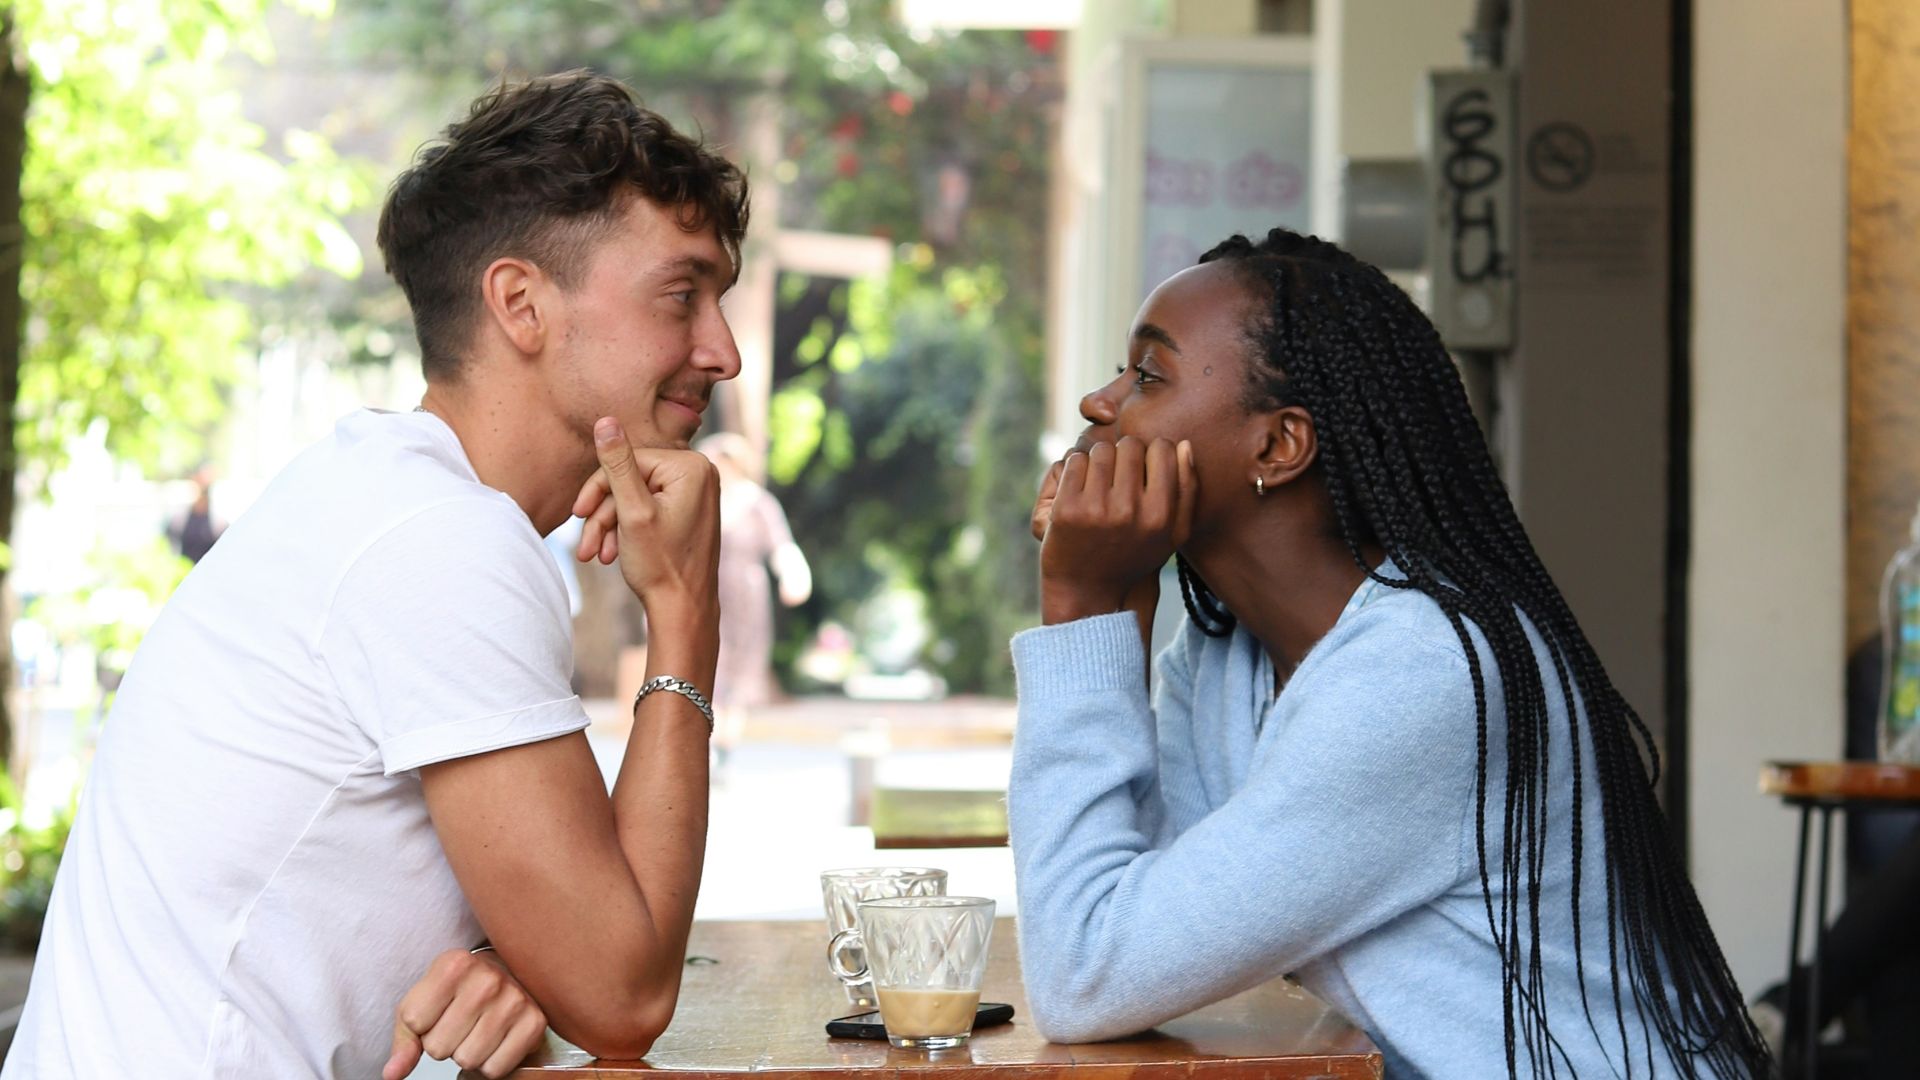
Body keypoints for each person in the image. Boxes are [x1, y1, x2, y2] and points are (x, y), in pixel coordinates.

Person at [5, 71, 747, 1078]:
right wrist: (685, 615)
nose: (725, 351)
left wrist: (521, 963)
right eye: (682, 294)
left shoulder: (389, 500)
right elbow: (625, 994)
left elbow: (586, 956)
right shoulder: (438, 542)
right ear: (521, 304)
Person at [1011, 228, 1770, 1079]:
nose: (1099, 403)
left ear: (1278, 446)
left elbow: (1087, 975)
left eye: (1148, 374)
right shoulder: (1227, 656)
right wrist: (1123, 610)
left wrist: (1077, 608)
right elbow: (1137, 926)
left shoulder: (1420, 675)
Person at [696, 432, 811, 770]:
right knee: (708, 664)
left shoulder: (758, 502)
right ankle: (707, 740)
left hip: (746, 595)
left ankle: (725, 744)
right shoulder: (701, 499)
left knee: (740, 670)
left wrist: (794, 575)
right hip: (705, 592)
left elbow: (782, 546)